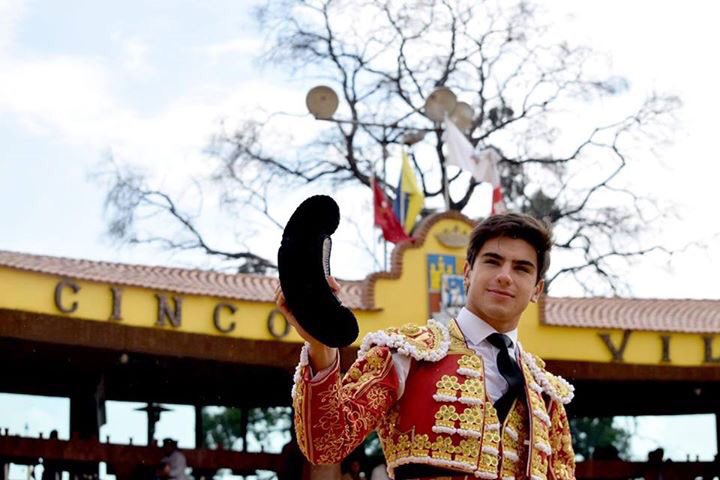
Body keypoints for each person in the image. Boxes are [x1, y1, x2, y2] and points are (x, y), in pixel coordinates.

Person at [278, 213, 576, 480]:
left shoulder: (545, 394)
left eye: (522, 268)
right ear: (467, 272)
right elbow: (327, 444)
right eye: (493, 261)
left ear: (537, 289)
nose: (505, 276)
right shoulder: (407, 353)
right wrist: (321, 344)